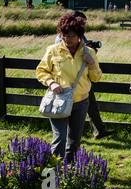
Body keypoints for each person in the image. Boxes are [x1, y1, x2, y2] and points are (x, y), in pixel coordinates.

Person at [37, 14, 103, 161]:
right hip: (58, 101)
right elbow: (41, 71)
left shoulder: (88, 52)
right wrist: (51, 83)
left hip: (80, 103)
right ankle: (54, 170)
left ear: (80, 35)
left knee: (74, 141)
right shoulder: (53, 50)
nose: (67, 39)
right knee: (59, 137)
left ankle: (69, 171)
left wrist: (91, 63)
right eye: (64, 35)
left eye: (72, 36)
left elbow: (96, 78)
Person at [55, 10, 116, 140]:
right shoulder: (62, 36)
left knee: (91, 104)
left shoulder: (81, 34)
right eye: (82, 22)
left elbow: (86, 57)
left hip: (83, 78)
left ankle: (98, 130)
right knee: (69, 109)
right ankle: (67, 136)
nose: (83, 25)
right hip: (69, 82)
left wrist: (91, 52)